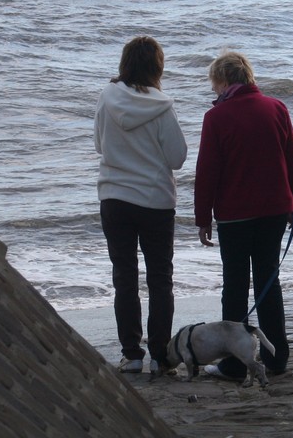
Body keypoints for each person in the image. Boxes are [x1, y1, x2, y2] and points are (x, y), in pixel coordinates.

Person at [195, 51, 293, 379]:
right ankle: (277, 358)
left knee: (235, 286)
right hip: (274, 210)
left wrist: (203, 218)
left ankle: (233, 364)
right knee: (269, 283)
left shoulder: (216, 117)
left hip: (234, 215)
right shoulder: (276, 108)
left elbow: (207, 173)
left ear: (223, 81)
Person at [94, 36, 188, 374]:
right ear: (158, 67)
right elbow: (177, 158)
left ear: (124, 64)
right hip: (154, 200)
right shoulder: (162, 105)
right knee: (160, 279)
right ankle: (161, 356)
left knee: (125, 277)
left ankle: (132, 354)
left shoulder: (106, 97)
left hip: (115, 197)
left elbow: (97, 144)